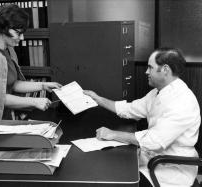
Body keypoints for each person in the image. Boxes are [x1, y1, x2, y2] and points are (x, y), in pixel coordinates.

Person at [84, 48, 201, 187]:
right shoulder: (158, 92)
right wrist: (98, 99)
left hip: (172, 169)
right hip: (154, 159)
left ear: (165, 70)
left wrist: (113, 134)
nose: (146, 72)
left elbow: (154, 141)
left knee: (115, 180)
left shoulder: (182, 101)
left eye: (150, 67)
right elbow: (130, 109)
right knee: (110, 170)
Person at [0, 4, 62, 136]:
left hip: (3, 120)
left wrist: (43, 85)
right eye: (18, 33)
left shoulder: (8, 50)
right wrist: (34, 101)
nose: (22, 38)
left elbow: (12, 83)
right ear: (3, 28)